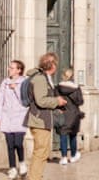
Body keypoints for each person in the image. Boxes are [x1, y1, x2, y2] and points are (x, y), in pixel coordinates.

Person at [25, 52, 67, 180]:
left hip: (43, 119)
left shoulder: (44, 78)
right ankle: (34, 177)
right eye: (55, 63)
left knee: (42, 152)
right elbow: (41, 100)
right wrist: (57, 101)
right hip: (39, 120)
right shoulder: (40, 79)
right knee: (40, 152)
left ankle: (35, 176)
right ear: (52, 65)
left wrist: (58, 105)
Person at [0, 60, 29, 179]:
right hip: (7, 117)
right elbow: (0, 101)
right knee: (10, 144)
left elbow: (25, 101)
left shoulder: (24, 82)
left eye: (12, 68)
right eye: (10, 67)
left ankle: (22, 163)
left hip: (20, 117)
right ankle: (12, 168)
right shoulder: (5, 82)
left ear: (19, 70)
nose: (9, 69)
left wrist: (16, 89)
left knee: (18, 143)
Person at [55, 68, 84, 165]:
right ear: (72, 76)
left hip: (62, 113)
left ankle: (63, 157)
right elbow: (80, 101)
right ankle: (73, 155)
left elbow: (55, 99)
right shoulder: (76, 88)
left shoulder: (58, 87)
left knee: (63, 135)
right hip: (73, 114)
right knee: (73, 135)